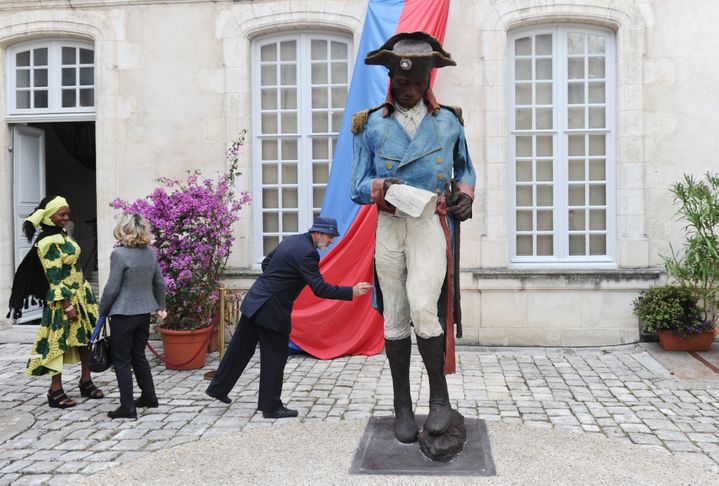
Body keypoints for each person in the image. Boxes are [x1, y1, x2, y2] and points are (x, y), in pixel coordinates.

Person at [350, 31, 476, 443]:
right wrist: (379, 189)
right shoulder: (369, 125)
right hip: (390, 225)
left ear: (428, 82)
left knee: (425, 306)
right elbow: (355, 185)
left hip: (428, 223)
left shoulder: (449, 121)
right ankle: (401, 403)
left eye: (417, 83)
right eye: (402, 83)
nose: (409, 90)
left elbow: (465, 171)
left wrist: (464, 197)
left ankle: (439, 399)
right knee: (396, 313)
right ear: (391, 80)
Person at [206, 216, 373, 418]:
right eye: (329, 236)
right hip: (271, 310)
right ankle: (270, 407)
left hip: (256, 299)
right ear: (317, 233)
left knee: (239, 349)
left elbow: (267, 263)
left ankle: (218, 389)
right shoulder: (308, 253)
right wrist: (351, 291)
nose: (331, 241)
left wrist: (276, 282)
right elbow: (319, 288)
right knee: (274, 357)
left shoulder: (292, 240)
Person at [8, 195, 105, 408]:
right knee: (58, 344)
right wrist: (67, 305)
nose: (66, 218)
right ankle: (55, 390)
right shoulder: (48, 241)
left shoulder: (62, 235)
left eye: (67, 214)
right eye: (62, 214)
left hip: (81, 294)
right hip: (64, 300)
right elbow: (54, 277)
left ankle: (86, 380)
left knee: (86, 340)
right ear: (49, 216)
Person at [99, 213, 167, 419]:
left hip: (123, 313)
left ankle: (127, 407)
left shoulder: (119, 254)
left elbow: (112, 288)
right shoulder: (150, 253)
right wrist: (161, 306)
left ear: (123, 229)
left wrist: (102, 309)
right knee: (139, 356)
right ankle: (149, 396)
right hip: (143, 313)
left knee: (121, 360)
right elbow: (160, 283)